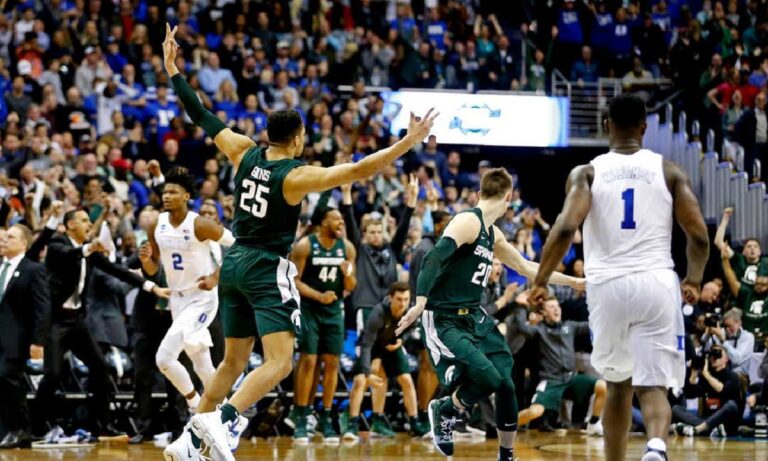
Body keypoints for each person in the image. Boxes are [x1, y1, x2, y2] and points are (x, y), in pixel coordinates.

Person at [161, 24, 436, 461]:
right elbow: (359, 170)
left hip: (233, 263)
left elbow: (201, 114)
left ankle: (189, 439)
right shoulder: (295, 175)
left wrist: (173, 69)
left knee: (232, 362)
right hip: (264, 266)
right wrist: (408, 142)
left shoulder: (242, 150)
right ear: (298, 137)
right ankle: (222, 420)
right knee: (280, 362)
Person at [529, 93, 709, 461]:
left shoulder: (587, 173)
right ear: (644, 128)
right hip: (656, 283)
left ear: (606, 125)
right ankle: (656, 446)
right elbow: (699, 237)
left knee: (617, 385)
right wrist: (693, 279)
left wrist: (541, 281)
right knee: (653, 385)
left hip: (607, 286)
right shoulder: (670, 171)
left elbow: (565, 228)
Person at [395, 168, 584, 460]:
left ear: (480, 192)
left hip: (473, 316)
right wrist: (420, 301)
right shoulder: (468, 221)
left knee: (506, 383)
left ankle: (506, 454)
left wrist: (573, 282)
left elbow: (527, 267)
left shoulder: (493, 233)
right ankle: (445, 408)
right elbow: (434, 257)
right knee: (488, 378)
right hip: (445, 317)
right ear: (508, 198)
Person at [36, 209, 171, 438]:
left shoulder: (90, 251)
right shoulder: (58, 243)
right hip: (56, 321)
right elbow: (70, 254)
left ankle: (101, 424)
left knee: (101, 368)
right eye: (84, 220)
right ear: (70, 225)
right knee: (53, 375)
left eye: (89, 220)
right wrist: (91, 247)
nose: (89, 224)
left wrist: (152, 287)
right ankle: (38, 424)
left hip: (77, 320)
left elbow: (118, 271)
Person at [139, 167, 236, 415]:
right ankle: (227, 414)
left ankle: (195, 405)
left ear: (187, 196)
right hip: (177, 299)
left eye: (173, 192)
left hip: (202, 298)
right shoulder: (156, 225)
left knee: (164, 358)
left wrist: (216, 277)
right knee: (202, 363)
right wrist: (146, 261)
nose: (167, 195)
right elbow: (153, 269)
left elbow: (238, 246)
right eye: (165, 191)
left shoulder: (200, 224)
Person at [288, 205, 356, 443]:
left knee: (332, 362)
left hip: (334, 311)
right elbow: (294, 280)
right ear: (323, 222)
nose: (341, 223)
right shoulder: (305, 246)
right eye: (336, 219)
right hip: (310, 309)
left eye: (342, 219)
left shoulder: (347, 248)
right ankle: (300, 415)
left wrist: (347, 275)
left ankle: (326, 416)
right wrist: (318, 296)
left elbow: (351, 286)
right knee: (308, 360)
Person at [344, 282, 427, 441]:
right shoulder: (378, 313)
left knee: (406, 380)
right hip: (372, 346)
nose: (402, 303)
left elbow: (411, 329)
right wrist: (368, 371)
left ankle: (414, 423)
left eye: (406, 299)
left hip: (392, 345)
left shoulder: (411, 311)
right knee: (361, 379)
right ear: (390, 298)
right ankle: (352, 424)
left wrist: (401, 340)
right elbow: (367, 345)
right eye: (399, 299)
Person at [515, 297, 606, 435]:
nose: (556, 309)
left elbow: (592, 325)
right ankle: (506, 425)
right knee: (534, 412)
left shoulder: (569, 326)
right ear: (544, 313)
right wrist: (521, 307)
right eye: (551, 307)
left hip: (571, 378)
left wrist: (604, 309)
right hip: (551, 380)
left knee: (602, 386)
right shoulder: (539, 330)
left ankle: (593, 423)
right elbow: (522, 327)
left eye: (557, 306)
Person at [0, 223, 51, 448]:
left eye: (11, 237)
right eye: (5, 237)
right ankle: (17, 431)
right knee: (7, 382)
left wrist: (38, 341)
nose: (4, 240)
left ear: (24, 243)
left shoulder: (33, 269)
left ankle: (18, 429)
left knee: (8, 378)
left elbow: (42, 307)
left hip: (16, 338)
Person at [672, 345, 744, 438]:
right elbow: (691, 395)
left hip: (726, 421)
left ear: (726, 359)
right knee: (676, 409)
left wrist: (706, 374)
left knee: (731, 405)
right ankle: (707, 429)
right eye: (712, 355)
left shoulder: (732, 376)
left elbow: (722, 390)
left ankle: (698, 429)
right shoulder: (706, 376)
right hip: (707, 418)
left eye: (718, 354)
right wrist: (693, 376)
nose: (714, 358)